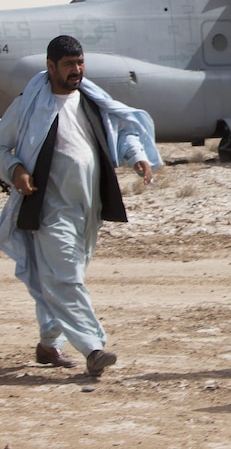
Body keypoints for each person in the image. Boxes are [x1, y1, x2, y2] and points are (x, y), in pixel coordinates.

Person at [0, 35, 159, 377]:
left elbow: (121, 131)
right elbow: (1, 145)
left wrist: (137, 157)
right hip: (47, 207)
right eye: (70, 65)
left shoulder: (91, 98)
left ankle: (48, 343)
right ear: (51, 67)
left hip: (89, 207)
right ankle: (93, 348)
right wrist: (15, 169)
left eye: (81, 63)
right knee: (64, 277)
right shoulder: (30, 103)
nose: (77, 70)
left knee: (64, 276)